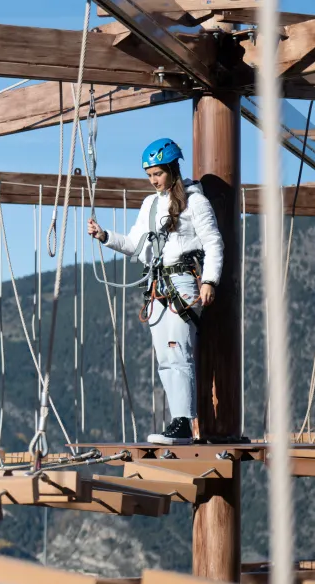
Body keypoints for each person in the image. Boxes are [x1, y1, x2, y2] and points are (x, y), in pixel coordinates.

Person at [87, 138, 223, 446]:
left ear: (173, 170)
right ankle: (178, 422)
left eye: (158, 174)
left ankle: (185, 422)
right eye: (149, 175)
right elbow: (136, 244)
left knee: (178, 352)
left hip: (183, 283)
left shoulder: (195, 202)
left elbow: (214, 243)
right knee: (164, 357)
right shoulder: (150, 204)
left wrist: (209, 281)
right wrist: (105, 236)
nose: (153, 181)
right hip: (158, 286)